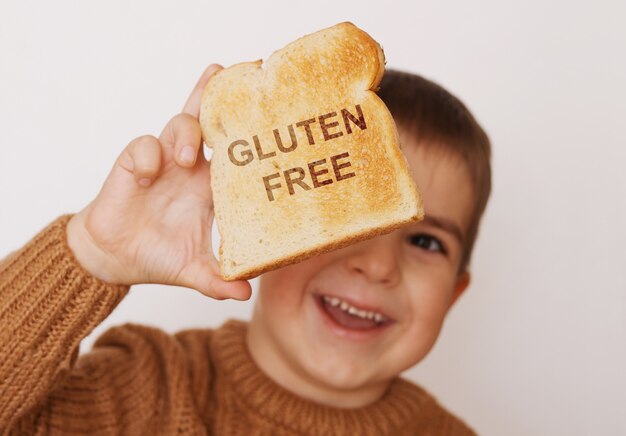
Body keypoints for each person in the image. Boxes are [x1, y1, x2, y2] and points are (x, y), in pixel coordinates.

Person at [0, 63, 491, 434]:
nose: (377, 264)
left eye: (426, 241)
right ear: (270, 229)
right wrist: (92, 252)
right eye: (346, 221)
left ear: (454, 293)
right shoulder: (146, 386)